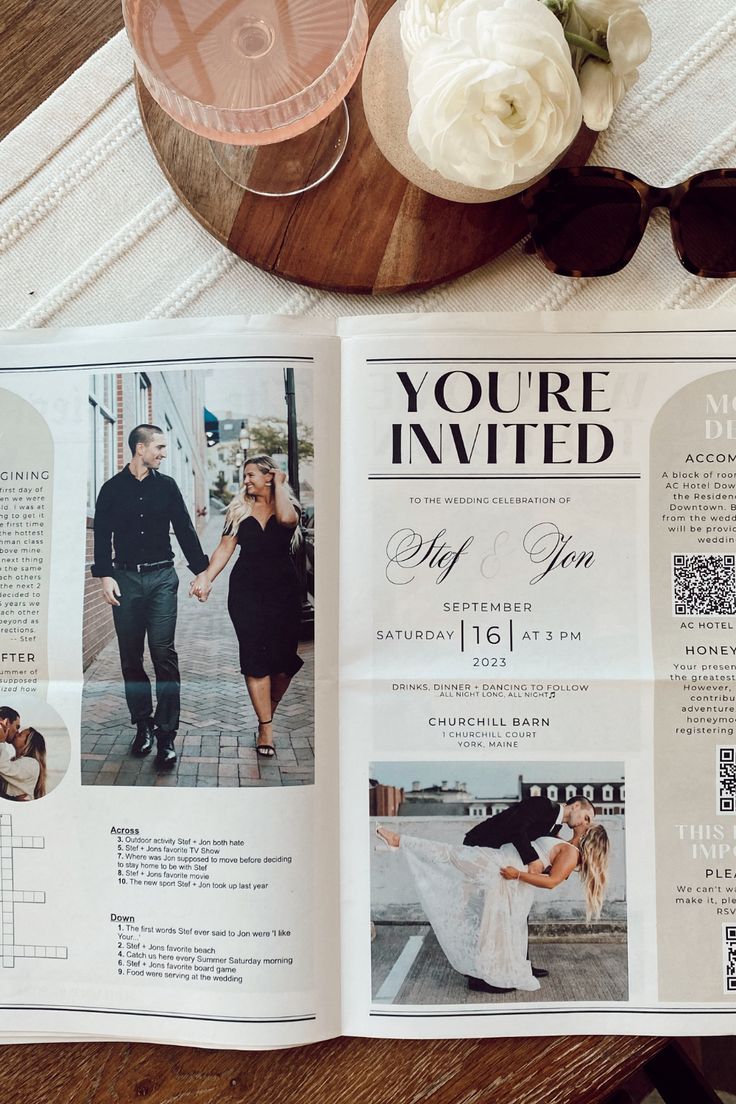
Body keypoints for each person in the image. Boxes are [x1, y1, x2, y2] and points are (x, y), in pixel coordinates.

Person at [92, 424, 210, 771]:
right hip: (125, 579)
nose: (163, 453)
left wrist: (201, 571)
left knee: (163, 655)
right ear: (139, 448)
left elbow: (186, 529)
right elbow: (101, 535)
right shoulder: (111, 489)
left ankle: (166, 736)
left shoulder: (168, 486)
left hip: (161, 578)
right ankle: (142, 726)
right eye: (158, 447)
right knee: (130, 658)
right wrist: (105, 577)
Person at [376, 820, 610, 996]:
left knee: (454, 858)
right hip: (501, 864)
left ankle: (400, 842)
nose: (584, 821)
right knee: (456, 861)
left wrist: (517, 874)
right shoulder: (565, 844)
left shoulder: (572, 853)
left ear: (589, 835)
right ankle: (400, 843)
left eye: (588, 824)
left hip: (505, 872)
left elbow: (551, 883)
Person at [190, 455, 303, 758]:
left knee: (283, 664)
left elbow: (288, 522)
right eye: (245, 475)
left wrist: (279, 486)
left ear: (269, 477)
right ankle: (266, 726)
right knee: (254, 657)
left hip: (284, 592)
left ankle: (268, 712)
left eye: (251, 474)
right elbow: (224, 549)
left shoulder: (289, 508)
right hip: (247, 592)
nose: (246, 481)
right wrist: (207, 578)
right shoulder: (238, 511)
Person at [0, 727, 47, 800]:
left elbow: (3, 767)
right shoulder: (14, 761)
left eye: (20, 734)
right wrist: (12, 799)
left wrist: (1, 741)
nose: (16, 733)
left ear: (28, 743)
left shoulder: (32, 764)